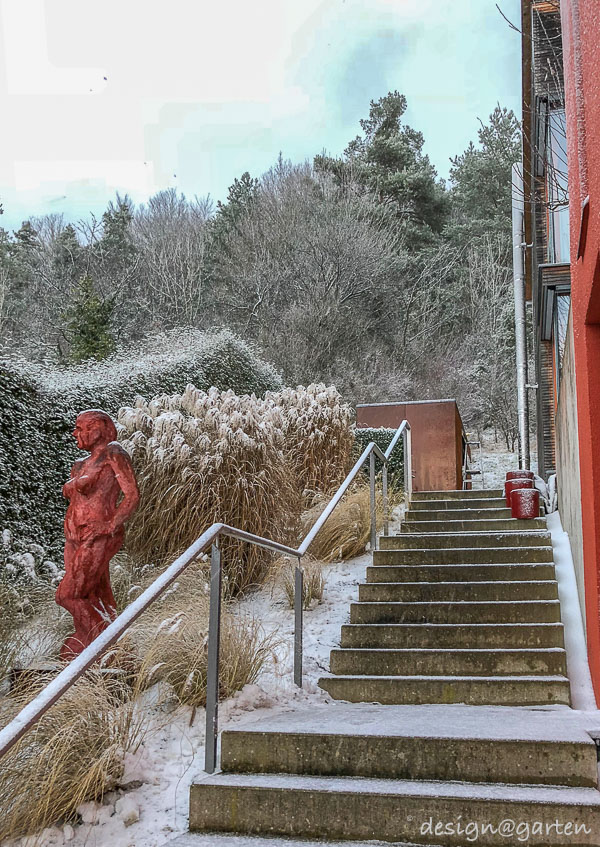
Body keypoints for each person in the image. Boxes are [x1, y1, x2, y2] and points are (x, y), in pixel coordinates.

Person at [55, 409, 140, 660]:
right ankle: (91, 642)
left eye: (80, 428)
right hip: (74, 537)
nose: (75, 433)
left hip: (98, 536)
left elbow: (132, 495)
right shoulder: (79, 465)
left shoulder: (113, 454)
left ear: (97, 429)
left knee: (68, 594)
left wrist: (109, 525)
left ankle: (107, 646)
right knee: (95, 595)